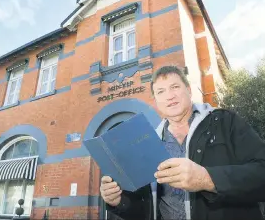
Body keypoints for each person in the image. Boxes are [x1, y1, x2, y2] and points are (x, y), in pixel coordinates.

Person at [100, 65, 265, 220]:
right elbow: (145, 212)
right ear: (155, 101)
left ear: (189, 90)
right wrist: (118, 201)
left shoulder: (225, 121)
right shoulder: (148, 143)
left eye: (175, 87)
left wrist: (207, 179)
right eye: (161, 91)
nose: (169, 96)